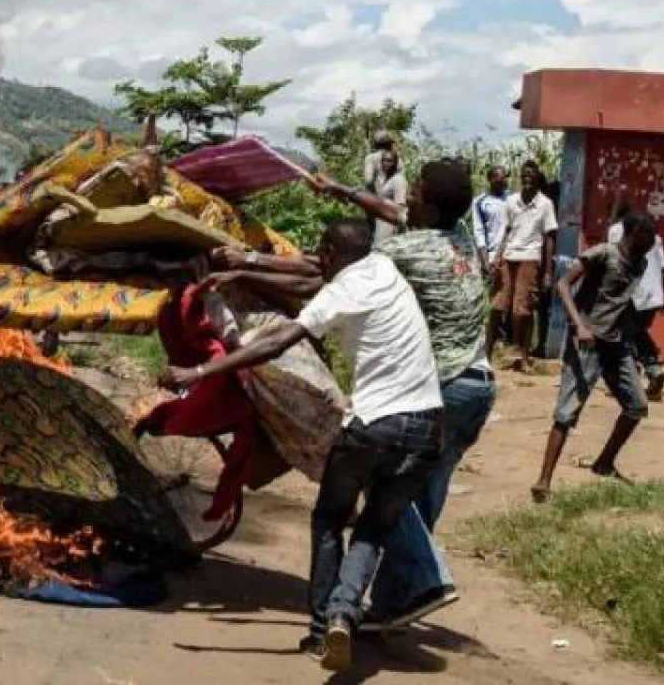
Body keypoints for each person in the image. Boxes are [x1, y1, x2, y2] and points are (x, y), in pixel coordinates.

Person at [213, 159, 494, 632]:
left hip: (436, 385)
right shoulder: (459, 234)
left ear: (430, 205)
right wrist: (340, 190)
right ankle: (393, 603)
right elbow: (388, 209)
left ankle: (428, 580)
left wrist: (250, 262)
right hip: (479, 384)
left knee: (382, 480)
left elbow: (328, 270)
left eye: (416, 193)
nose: (407, 201)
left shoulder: (405, 252)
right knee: (412, 498)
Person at [163, 219, 443, 673]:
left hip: (375, 427)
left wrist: (196, 374)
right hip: (428, 428)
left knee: (329, 520)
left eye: (321, 250)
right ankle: (341, 615)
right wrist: (247, 271)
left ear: (331, 251)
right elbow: (309, 272)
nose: (317, 258)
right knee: (371, 530)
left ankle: (320, 631)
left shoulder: (336, 293)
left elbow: (277, 340)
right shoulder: (385, 268)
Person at [530, 208, 657, 503]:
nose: (652, 244)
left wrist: (646, 352)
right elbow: (563, 285)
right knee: (566, 413)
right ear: (635, 233)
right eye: (649, 237)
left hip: (616, 344)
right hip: (587, 344)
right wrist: (579, 326)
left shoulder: (640, 264)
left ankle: (604, 463)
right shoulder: (603, 254)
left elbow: (621, 304)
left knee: (636, 405)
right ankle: (543, 481)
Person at [492, 161, 558, 371]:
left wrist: (547, 271)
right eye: (524, 176)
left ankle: (524, 353)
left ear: (537, 178)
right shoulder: (511, 202)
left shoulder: (545, 204)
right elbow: (507, 231)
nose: (527, 179)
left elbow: (549, 238)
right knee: (500, 306)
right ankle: (494, 352)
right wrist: (497, 257)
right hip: (509, 256)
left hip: (530, 257)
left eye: (531, 176)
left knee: (523, 309)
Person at [606, 200, 664, 399]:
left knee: (626, 334)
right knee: (637, 333)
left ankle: (648, 369)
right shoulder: (654, 235)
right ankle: (650, 368)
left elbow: (613, 259)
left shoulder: (617, 230)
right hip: (654, 294)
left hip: (632, 292)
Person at [472, 166, 511, 356]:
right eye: (498, 178)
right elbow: (479, 231)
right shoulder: (480, 202)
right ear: (490, 179)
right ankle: (488, 338)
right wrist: (485, 259)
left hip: (510, 253)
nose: (502, 181)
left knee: (505, 298)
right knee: (491, 298)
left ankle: (503, 337)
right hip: (490, 255)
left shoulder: (512, 199)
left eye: (504, 177)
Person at [368, 150, 407, 243]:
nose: (386, 163)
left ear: (395, 163)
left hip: (390, 226)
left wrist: (396, 232)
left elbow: (400, 208)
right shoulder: (383, 180)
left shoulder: (398, 180)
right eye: (383, 161)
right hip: (380, 223)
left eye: (389, 161)